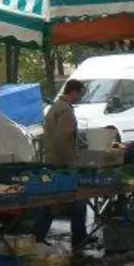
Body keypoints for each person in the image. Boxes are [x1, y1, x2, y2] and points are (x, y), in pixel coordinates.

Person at [34, 79, 90, 251]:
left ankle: (37, 236)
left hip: (51, 159)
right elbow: (63, 140)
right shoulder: (65, 110)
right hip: (61, 163)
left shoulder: (55, 106)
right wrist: (70, 164)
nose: (79, 97)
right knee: (78, 200)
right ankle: (79, 238)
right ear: (73, 92)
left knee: (50, 202)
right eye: (80, 94)